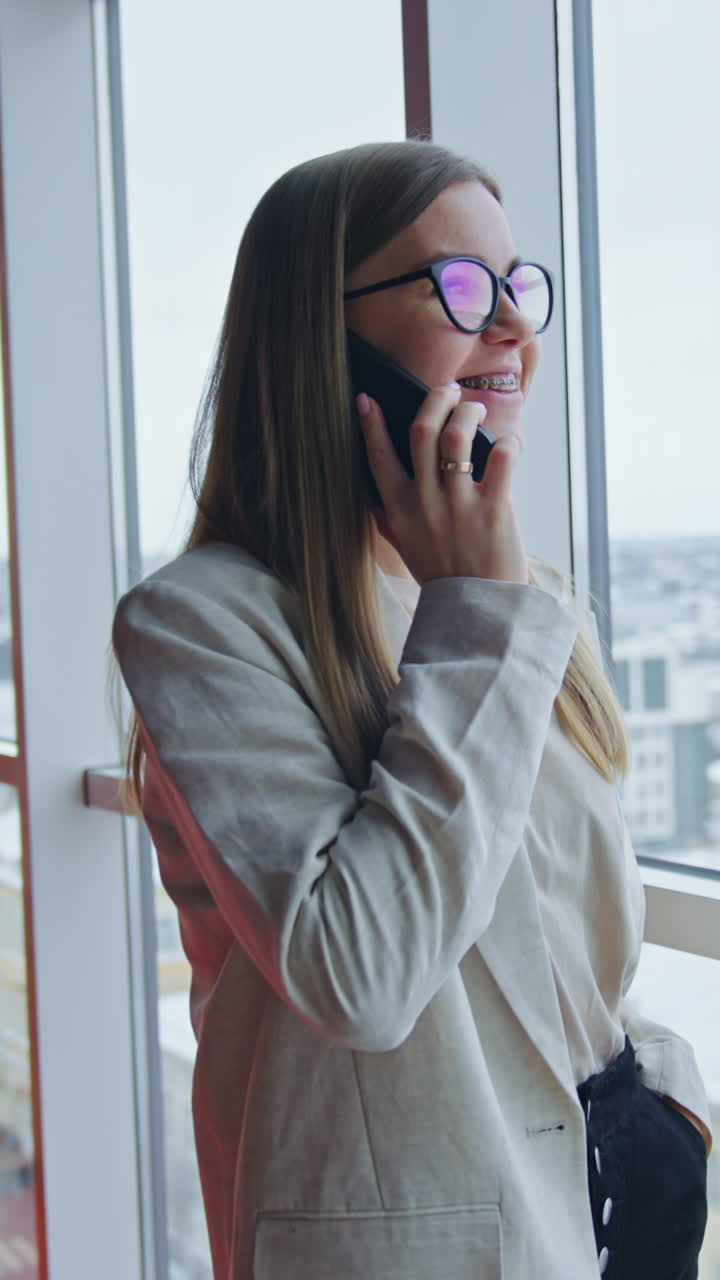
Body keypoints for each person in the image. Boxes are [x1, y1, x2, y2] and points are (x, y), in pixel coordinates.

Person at [112, 140, 712, 1280]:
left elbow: (580, 945)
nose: (515, 332)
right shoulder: (201, 623)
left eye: (518, 286)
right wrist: (475, 606)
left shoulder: (536, 610)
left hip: (614, 1208)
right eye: (463, 288)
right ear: (321, 333)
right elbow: (363, 973)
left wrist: (667, 1110)